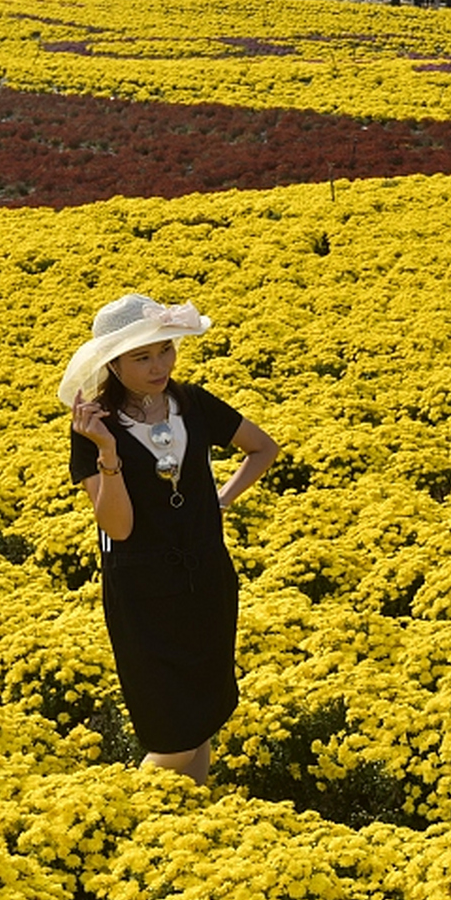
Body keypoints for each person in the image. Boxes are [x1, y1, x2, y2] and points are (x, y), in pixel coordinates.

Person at [59, 294, 280, 784]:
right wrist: (107, 454)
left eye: (165, 349)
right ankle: (140, 815)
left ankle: (187, 816)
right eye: (142, 357)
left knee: (201, 721)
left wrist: (218, 501)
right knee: (170, 737)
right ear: (112, 364)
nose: (159, 365)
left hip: (207, 581)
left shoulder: (192, 402)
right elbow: (117, 527)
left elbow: (263, 449)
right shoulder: (94, 427)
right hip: (144, 596)